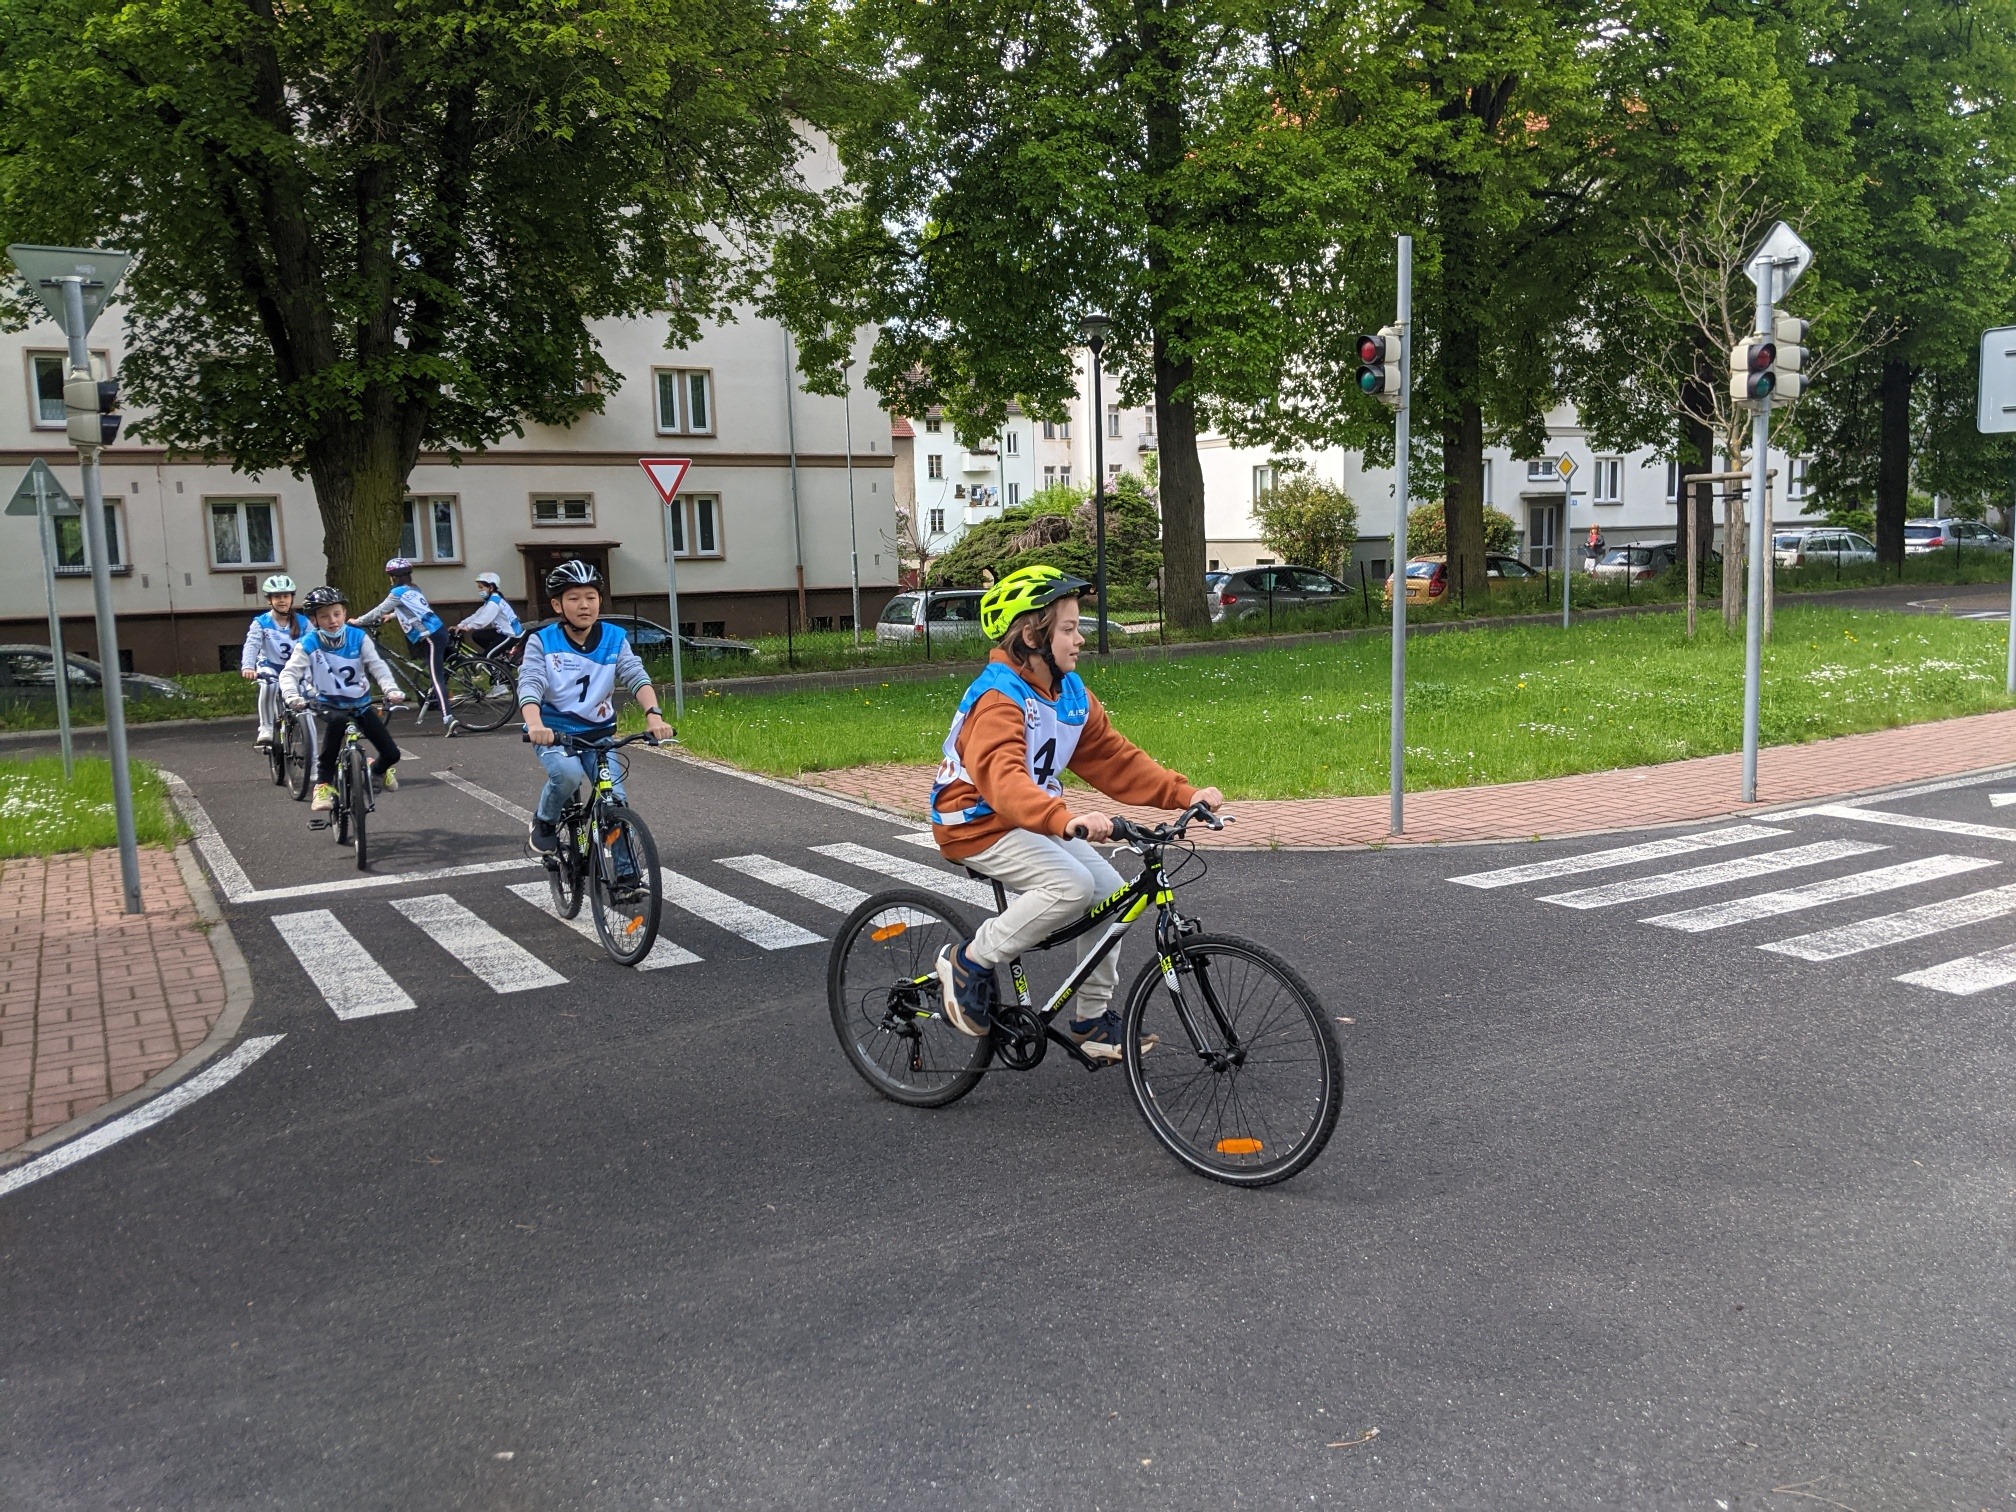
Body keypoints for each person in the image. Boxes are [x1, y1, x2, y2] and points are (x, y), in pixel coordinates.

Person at [927, 565, 1223, 1061]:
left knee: (1110, 893)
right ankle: (969, 961)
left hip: (1032, 818)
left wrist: (1183, 793)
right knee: (1070, 886)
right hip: (976, 822)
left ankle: (1090, 1020)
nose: (1080, 638)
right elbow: (1003, 782)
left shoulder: (1069, 693)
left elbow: (1112, 758)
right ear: (1031, 636)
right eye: (1067, 628)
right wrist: (1064, 820)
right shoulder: (1000, 697)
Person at [517, 560, 674, 857]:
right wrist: (535, 725)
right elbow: (530, 685)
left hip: (599, 734)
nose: (584, 605)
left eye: (591, 597)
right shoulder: (542, 641)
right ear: (557, 605)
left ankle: (626, 880)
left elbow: (635, 676)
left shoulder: (614, 637)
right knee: (567, 774)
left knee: (614, 801)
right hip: (555, 733)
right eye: (573, 598)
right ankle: (545, 820)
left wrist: (654, 715)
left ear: (600, 600)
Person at [280, 587, 406, 811]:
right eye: (324, 616)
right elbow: (289, 673)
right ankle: (323, 785)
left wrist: (390, 689)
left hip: (360, 702)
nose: (332, 620)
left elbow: (377, 666)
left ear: (345, 613)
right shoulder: (310, 642)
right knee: (337, 723)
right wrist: (292, 695)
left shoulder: (358, 637)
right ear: (315, 620)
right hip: (328, 702)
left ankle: (374, 770)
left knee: (392, 753)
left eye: (336, 614)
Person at [352, 557, 454, 731]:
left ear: (392, 577)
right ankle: (434, 702)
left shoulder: (397, 593)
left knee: (436, 678)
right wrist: (391, 617)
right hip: (439, 630)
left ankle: (448, 718)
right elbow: (410, 609)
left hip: (430, 635)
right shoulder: (414, 589)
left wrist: (358, 621)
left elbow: (379, 610)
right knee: (433, 672)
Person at [239, 574, 307, 748]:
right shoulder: (261, 622)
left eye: (286, 596)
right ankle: (266, 727)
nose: (282, 601)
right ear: (269, 600)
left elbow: (314, 646)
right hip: (270, 665)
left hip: (294, 669)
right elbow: (252, 644)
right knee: (269, 685)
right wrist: (248, 666)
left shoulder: (303, 622)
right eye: (277, 597)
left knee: (308, 690)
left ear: (292, 598)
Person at [456, 571, 523, 656]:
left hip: (511, 636)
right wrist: (460, 625)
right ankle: (498, 655)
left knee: (487, 657)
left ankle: (491, 658)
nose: (479, 590)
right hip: (501, 633)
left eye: (481, 587)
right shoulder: (491, 600)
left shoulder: (494, 603)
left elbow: (483, 620)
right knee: (477, 635)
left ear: (491, 588)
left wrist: (467, 628)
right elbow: (477, 615)